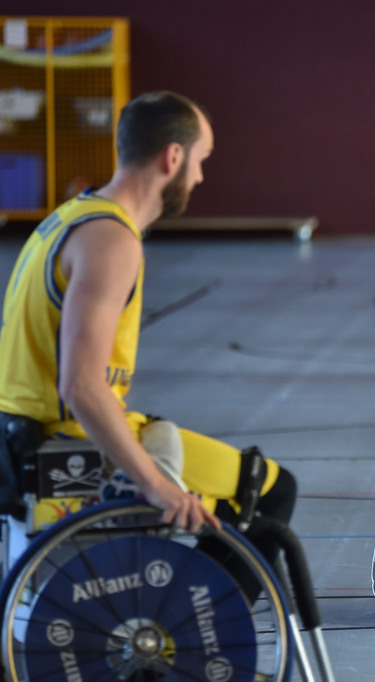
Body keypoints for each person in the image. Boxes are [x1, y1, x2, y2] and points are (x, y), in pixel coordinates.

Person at [0, 92, 296, 581]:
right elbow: (81, 387)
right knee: (269, 491)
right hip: (60, 447)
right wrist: (156, 484)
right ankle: (190, 640)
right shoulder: (110, 240)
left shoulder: (74, 214)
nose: (200, 177)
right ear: (173, 157)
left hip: (20, 432)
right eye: (201, 161)